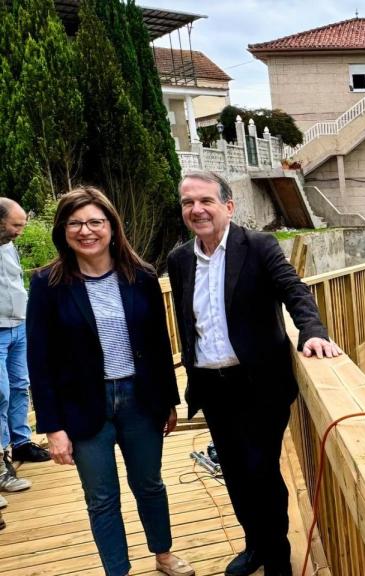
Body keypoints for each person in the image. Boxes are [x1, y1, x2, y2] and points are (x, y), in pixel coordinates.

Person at [167, 171, 340, 576]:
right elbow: (187, 320)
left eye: (206, 200)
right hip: (211, 385)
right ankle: (255, 546)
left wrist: (312, 332)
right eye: (188, 202)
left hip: (260, 384)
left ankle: (277, 556)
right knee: (235, 473)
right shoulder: (179, 259)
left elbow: (294, 290)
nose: (197, 209)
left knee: (261, 471)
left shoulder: (258, 246)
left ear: (228, 206)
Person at [26, 187, 194, 576]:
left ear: (112, 228)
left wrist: (168, 401)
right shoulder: (47, 285)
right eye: (75, 223)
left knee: (149, 484)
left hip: (140, 400)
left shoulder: (141, 277)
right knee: (101, 498)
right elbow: (40, 360)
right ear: (62, 230)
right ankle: (117, 570)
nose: (86, 231)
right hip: (84, 408)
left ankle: (163, 553)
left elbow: (157, 344)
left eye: (95, 222)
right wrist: (52, 427)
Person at [0, 198, 47, 500]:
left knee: (20, 387)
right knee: (0, 394)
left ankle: (21, 443)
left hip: (19, 326)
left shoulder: (8, 245)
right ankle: (3, 464)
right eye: (16, 225)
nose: (20, 231)